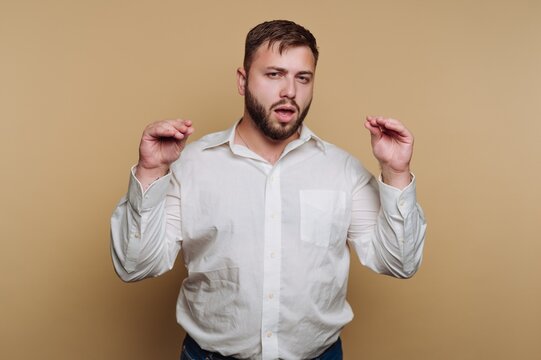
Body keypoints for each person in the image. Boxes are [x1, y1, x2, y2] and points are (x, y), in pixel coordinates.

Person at [111, 19, 426, 360]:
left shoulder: (342, 170)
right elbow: (134, 265)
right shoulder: (192, 166)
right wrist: (151, 170)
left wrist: (396, 173)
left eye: (302, 78)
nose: (289, 90)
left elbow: (400, 263)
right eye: (274, 74)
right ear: (243, 81)